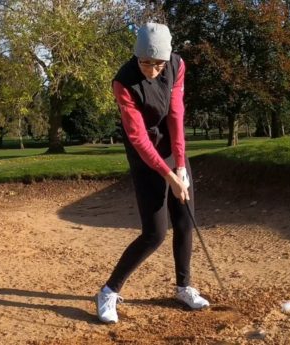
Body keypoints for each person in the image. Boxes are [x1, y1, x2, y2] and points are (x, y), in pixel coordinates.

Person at [95, 22, 210, 324]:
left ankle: (184, 287)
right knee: (155, 233)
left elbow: (175, 115)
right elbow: (138, 138)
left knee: (185, 220)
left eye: (157, 64)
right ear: (136, 57)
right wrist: (168, 176)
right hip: (144, 154)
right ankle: (108, 291)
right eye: (145, 62)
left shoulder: (177, 66)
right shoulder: (123, 81)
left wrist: (181, 167)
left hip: (171, 147)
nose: (151, 69)